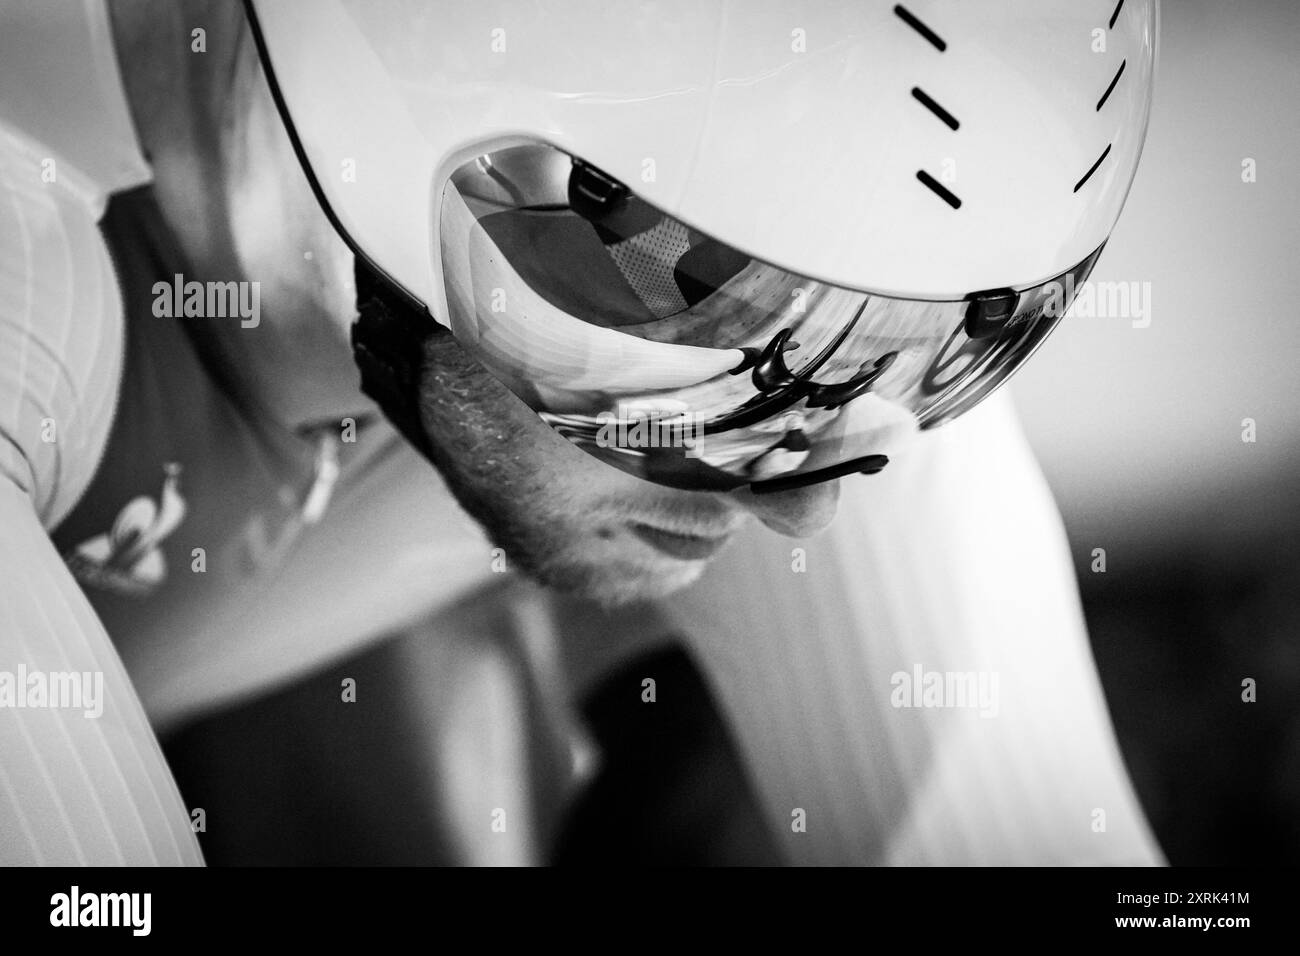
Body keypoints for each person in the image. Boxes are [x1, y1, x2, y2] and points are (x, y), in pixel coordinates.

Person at [0, 0, 1165, 865]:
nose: (806, 494)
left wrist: (779, 375)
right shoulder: (29, 275)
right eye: (721, 364)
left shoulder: (813, 388)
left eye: (944, 359)